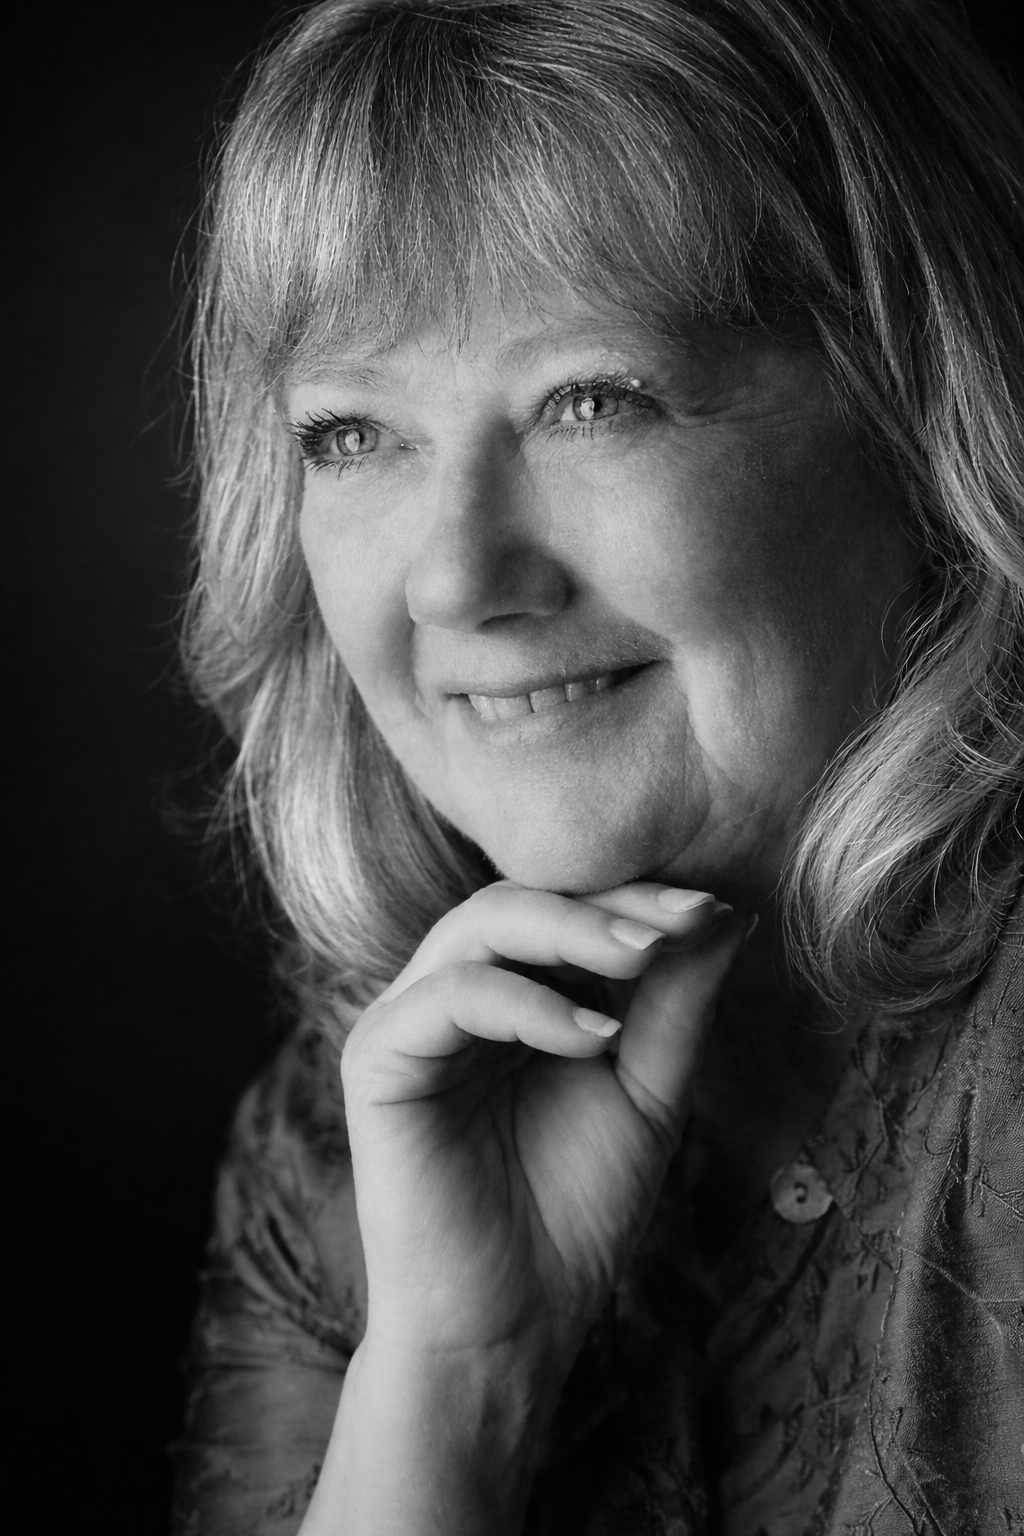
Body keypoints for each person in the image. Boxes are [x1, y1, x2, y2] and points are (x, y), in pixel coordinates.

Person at [171, 1, 1024, 1531]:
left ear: (922, 412)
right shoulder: (345, 1134)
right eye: (351, 432)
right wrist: (450, 1382)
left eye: (593, 399)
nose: (454, 582)